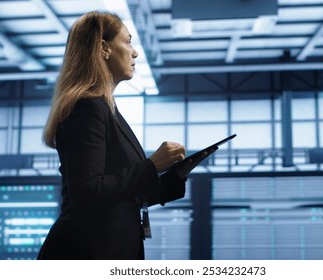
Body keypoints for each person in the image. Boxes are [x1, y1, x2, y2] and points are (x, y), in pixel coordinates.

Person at [38, 10, 203, 260]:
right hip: (86, 252)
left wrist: (174, 176)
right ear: (104, 48)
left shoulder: (107, 109)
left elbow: (122, 192)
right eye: (127, 41)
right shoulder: (87, 106)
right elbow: (88, 193)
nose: (134, 52)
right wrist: (152, 165)